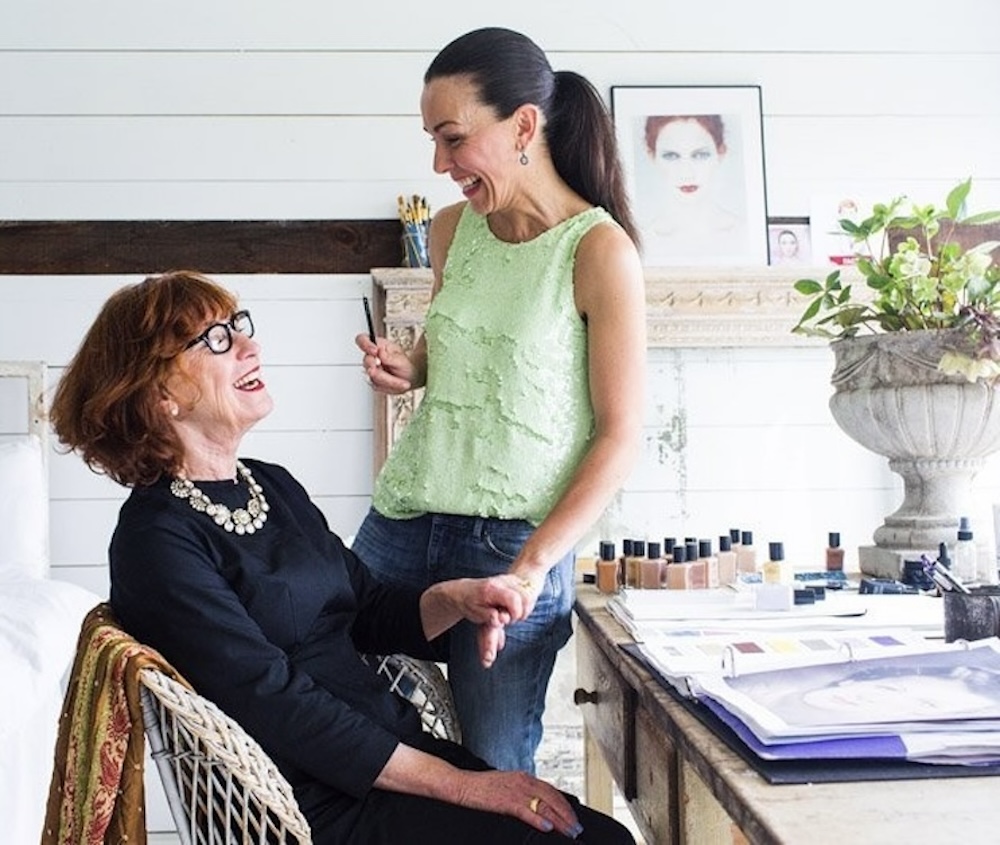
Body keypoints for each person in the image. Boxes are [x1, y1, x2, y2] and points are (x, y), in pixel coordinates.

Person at [48, 270, 636, 845]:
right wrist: (465, 786)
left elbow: (370, 608)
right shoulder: (156, 541)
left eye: (239, 326)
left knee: (597, 834)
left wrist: (461, 598)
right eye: (218, 340)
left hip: (391, 759)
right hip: (303, 804)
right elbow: (272, 701)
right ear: (160, 394)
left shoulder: (271, 486)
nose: (250, 346)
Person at [352, 26, 647, 774]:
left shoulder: (599, 251)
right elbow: (461, 349)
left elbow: (618, 437)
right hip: (403, 521)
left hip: (512, 546)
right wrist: (409, 368)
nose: (439, 164)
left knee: (494, 767)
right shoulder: (454, 230)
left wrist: (532, 565)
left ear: (522, 125)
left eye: (452, 138)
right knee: (331, 701)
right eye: (433, 141)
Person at [639, 113, 746, 264]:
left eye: (700, 155)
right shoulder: (643, 241)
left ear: (720, 153)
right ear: (652, 156)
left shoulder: (745, 234)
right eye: (671, 156)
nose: (686, 173)